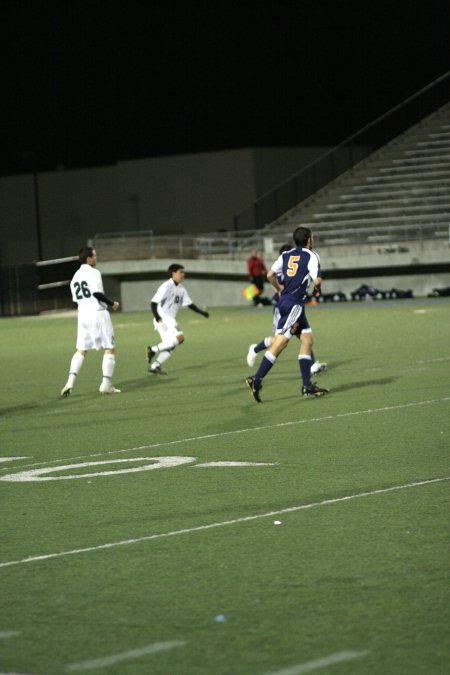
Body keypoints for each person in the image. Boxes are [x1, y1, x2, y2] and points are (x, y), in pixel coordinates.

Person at [246, 226, 330, 402]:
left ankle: (307, 386)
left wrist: (278, 288)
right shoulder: (311, 255)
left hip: (287, 302)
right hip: (294, 306)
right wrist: (318, 289)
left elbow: (270, 274)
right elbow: (317, 280)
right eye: (312, 237)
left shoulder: (286, 255)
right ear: (308, 240)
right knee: (281, 342)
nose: (313, 240)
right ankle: (256, 380)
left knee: (307, 340)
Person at [61, 246, 121, 397]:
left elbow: (76, 299)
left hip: (83, 316)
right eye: (94, 256)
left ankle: (70, 382)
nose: (96, 258)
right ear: (88, 258)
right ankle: (106, 385)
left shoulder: (75, 277)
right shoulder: (94, 273)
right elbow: (96, 293)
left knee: (81, 350)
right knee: (109, 348)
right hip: (98, 314)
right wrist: (112, 303)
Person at [146, 263, 209, 374]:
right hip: (163, 318)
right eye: (181, 272)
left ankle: (154, 366)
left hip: (170, 319)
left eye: (184, 272)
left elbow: (190, 304)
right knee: (180, 338)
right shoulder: (166, 286)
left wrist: (202, 313)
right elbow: (153, 302)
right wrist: (157, 317)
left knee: (171, 345)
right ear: (173, 273)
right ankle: (153, 349)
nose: (183, 274)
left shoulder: (181, 289)